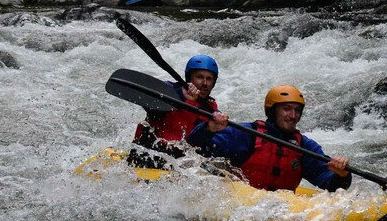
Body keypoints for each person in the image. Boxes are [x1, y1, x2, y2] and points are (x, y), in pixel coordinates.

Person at [187, 85, 352, 192]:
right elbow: (196, 150)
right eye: (287, 109)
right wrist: (209, 129)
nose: (293, 116)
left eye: (297, 110)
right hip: (240, 207)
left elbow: (331, 187)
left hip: (280, 212)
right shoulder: (245, 134)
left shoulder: (304, 147)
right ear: (272, 111)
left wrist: (342, 175)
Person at [129, 55, 220, 166]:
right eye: (199, 77)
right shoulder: (170, 92)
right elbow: (147, 101)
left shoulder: (211, 111)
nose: (205, 83)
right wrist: (182, 97)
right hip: (147, 154)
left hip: (179, 162)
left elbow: (198, 143)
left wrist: (210, 129)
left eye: (209, 79)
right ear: (189, 78)